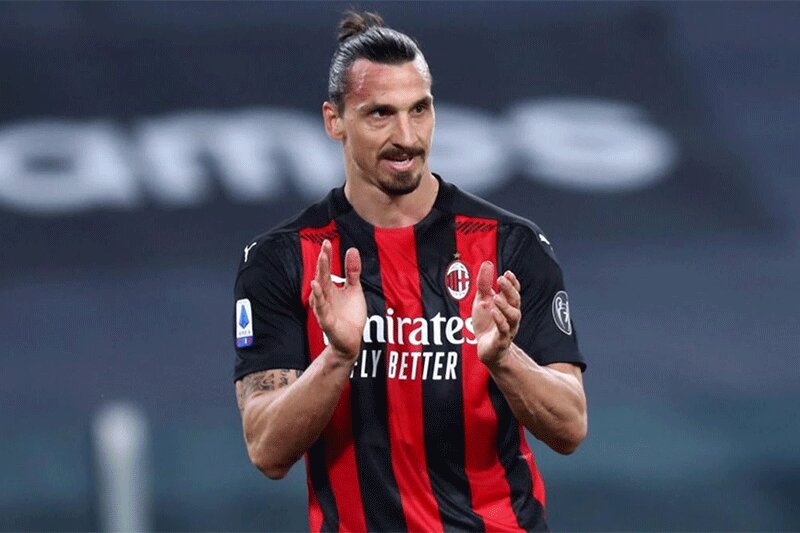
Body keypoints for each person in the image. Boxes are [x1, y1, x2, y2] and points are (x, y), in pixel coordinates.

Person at [233, 11, 587, 532]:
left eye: (419, 109)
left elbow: (571, 426)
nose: (406, 136)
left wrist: (502, 358)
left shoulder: (509, 246)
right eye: (380, 114)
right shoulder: (282, 259)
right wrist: (338, 357)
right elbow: (266, 450)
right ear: (334, 121)